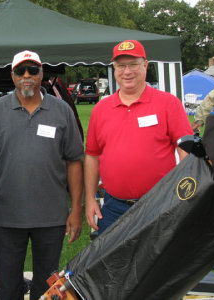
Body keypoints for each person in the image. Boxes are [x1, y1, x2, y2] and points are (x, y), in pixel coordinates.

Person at [0, 50, 84, 300]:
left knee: (48, 285)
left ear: (41, 74)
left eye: (32, 70)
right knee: (7, 284)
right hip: (6, 216)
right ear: (12, 76)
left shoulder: (61, 111)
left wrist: (76, 210)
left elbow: (74, 161)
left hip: (51, 217)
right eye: (20, 71)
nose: (26, 76)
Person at [85, 40, 193, 235]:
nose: (127, 71)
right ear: (114, 68)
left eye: (133, 64)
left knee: (158, 262)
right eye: (121, 65)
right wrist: (90, 199)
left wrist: (185, 193)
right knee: (115, 264)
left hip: (160, 204)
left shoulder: (168, 103)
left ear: (145, 65)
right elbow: (92, 155)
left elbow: (186, 149)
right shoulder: (101, 109)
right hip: (113, 207)